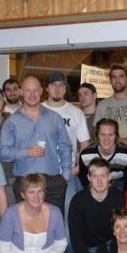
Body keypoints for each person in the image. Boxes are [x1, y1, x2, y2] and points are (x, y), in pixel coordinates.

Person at [0, 75, 73, 215]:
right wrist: (26, 152)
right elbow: (2, 152)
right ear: (21, 92)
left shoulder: (54, 118)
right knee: (27, 230)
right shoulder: (11, 122)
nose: (32, 95)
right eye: (27, 90)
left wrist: (65, 176)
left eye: (35, 90)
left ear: (41, 91)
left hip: (53, 184)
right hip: (24, 183)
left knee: (53, 228)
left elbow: (65, 146)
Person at [68, 157, 125, 253]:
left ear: (110, 177)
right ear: (88, 178)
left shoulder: (119, 198)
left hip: (110, 247)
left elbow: (123, 232)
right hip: (87, 249)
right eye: (95, 176)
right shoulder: (78, 201)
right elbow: (76, 240)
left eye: (103, 176)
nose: (99, 181)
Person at [42, 72, 91, 229]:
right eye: (53, 85)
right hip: (40, 172)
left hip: (66, 174)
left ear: (65, 89)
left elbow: (85, 145)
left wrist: (75, 170)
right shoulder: (37, 110)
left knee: (68, 214)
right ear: (47, 88)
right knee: (42, 216)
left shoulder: (76, 113)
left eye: (61, 85)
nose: (57, 88)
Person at [79, 118, 127, 192]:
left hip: (119, 185)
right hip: (94, 186)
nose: (107, 139)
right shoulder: (86, 155)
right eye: (102, 135)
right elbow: (84, 179)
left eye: (111, 135)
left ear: (116, 136)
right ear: (97, 136)